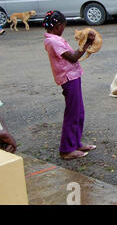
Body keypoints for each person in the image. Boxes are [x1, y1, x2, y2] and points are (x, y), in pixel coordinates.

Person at [43, 10, 97, 160]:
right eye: (64, 26)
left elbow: (71, 55)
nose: (64, 29)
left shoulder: (55, 39)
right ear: (58, 25)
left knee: (78, 111)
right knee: (72, 113)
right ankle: (66, 150)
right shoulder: (53, 41)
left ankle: (75, 143)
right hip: (68, 79)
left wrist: (87, 44)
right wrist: (87, 43)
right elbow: (73, 57)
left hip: (73, 76)